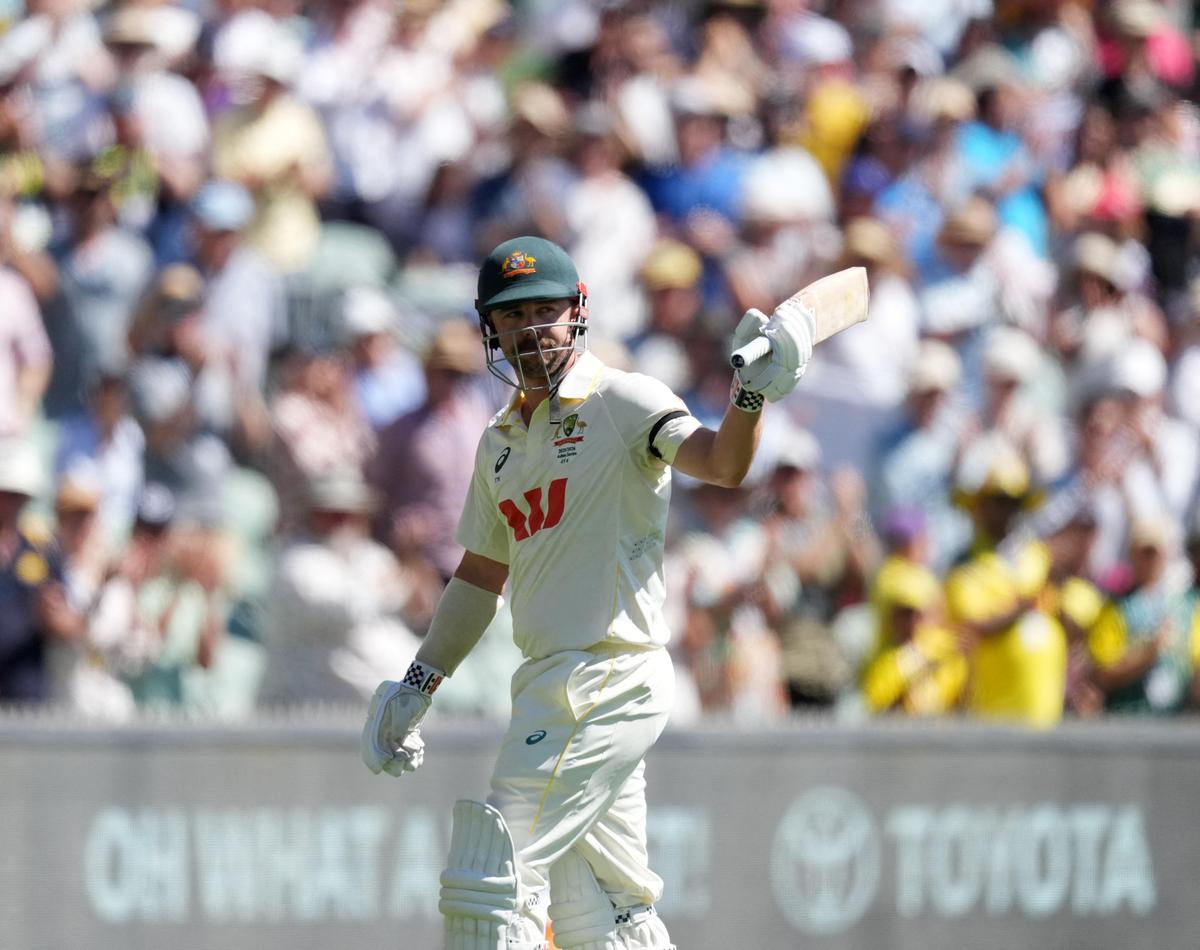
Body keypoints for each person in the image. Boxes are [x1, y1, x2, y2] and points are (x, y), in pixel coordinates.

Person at [360, 235, 814, 949]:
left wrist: (750, 395)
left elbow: (723, 464)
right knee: (602, 916)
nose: (530, 329)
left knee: (492, 881)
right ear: (490, 328)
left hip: (606, 674)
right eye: (512, 316)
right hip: (547, 681)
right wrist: (417, 686)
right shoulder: (499, 442)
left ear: (578, 311)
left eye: (545, 310)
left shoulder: (622, 401)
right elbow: (480, 577)